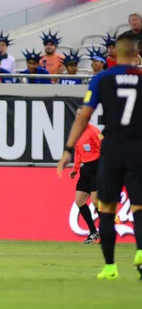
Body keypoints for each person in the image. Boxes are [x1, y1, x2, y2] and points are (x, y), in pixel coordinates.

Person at [57, 33, 142, 280]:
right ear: (136, 55)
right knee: (138, 206)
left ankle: (110, 266)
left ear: (113, 55)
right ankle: (140, 251)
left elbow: (84, 115)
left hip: (113, 147)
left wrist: (67, 150)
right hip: (138, 148)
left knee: (106, 208)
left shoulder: (102, 78)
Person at [66, 106, 103, 243]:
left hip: (97, 167)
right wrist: (75, 168)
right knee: (79, 201)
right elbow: (78, 151)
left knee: (95, 201)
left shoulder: (94, 131)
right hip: (85, 168)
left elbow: (103, 147)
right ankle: (93, 232)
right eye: (78, 115)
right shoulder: (77, 132)